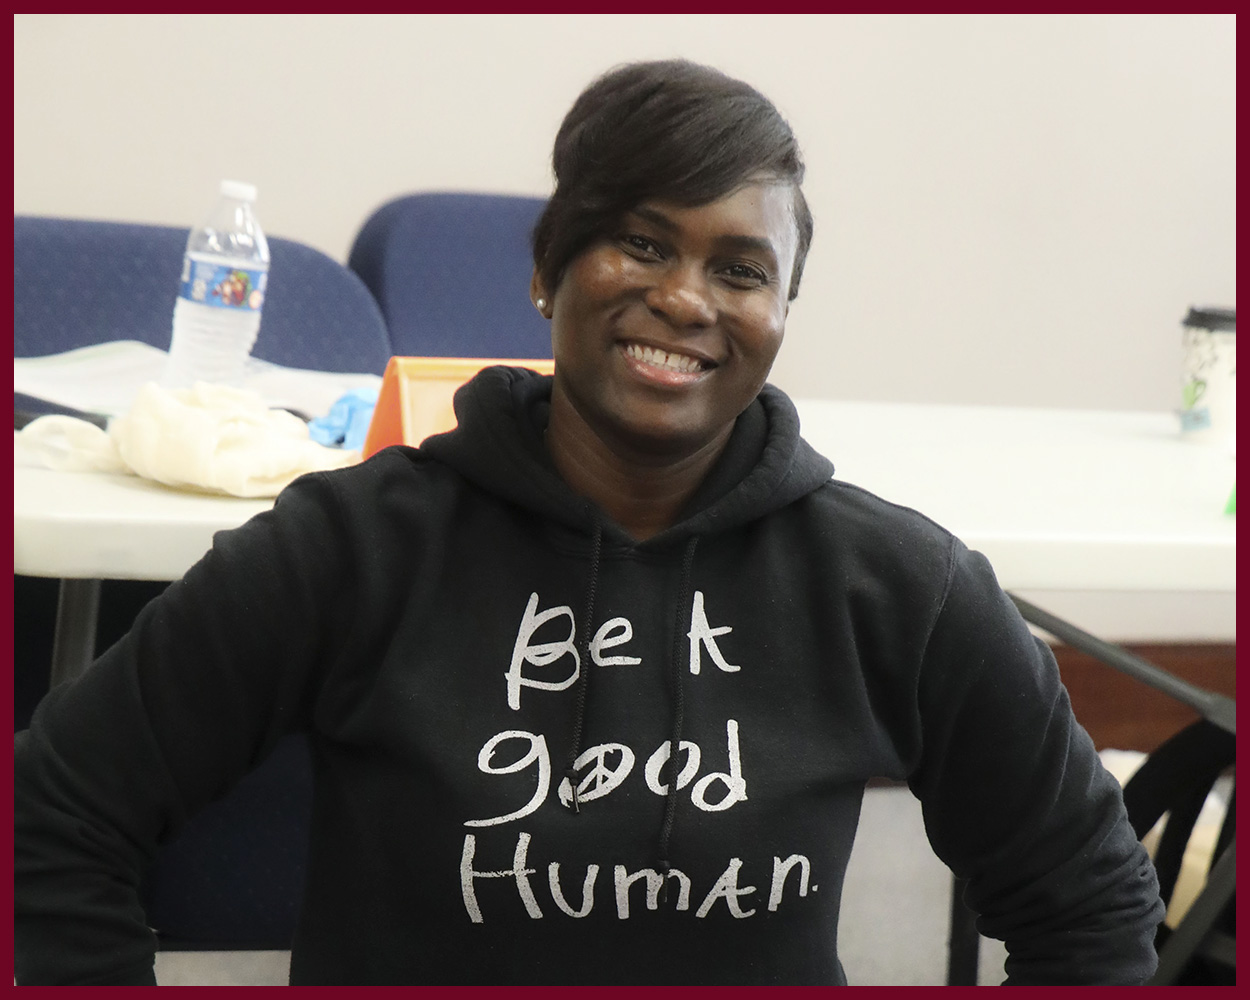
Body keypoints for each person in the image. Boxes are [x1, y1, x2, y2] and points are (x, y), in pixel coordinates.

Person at [14, 59, 1164, 986]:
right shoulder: (355, 549)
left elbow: (1092, 904)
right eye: (644, 242)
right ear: (546, 268)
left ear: (778, 314)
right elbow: (52, 817)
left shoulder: (890, 585)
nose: (684, 299)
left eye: (741, 268)